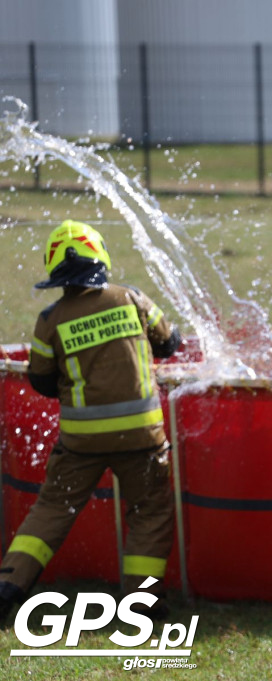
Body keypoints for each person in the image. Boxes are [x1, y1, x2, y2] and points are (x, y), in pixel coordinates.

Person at [0, 220, 182, 623]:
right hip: (142, 437)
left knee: (51, 510)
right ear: (101, 255)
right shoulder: (132, 299)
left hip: (80, 442)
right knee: (149, 512)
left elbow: (42, 381)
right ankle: (143, 604)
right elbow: (169, 343)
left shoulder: (51, 319)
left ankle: (8, 587)